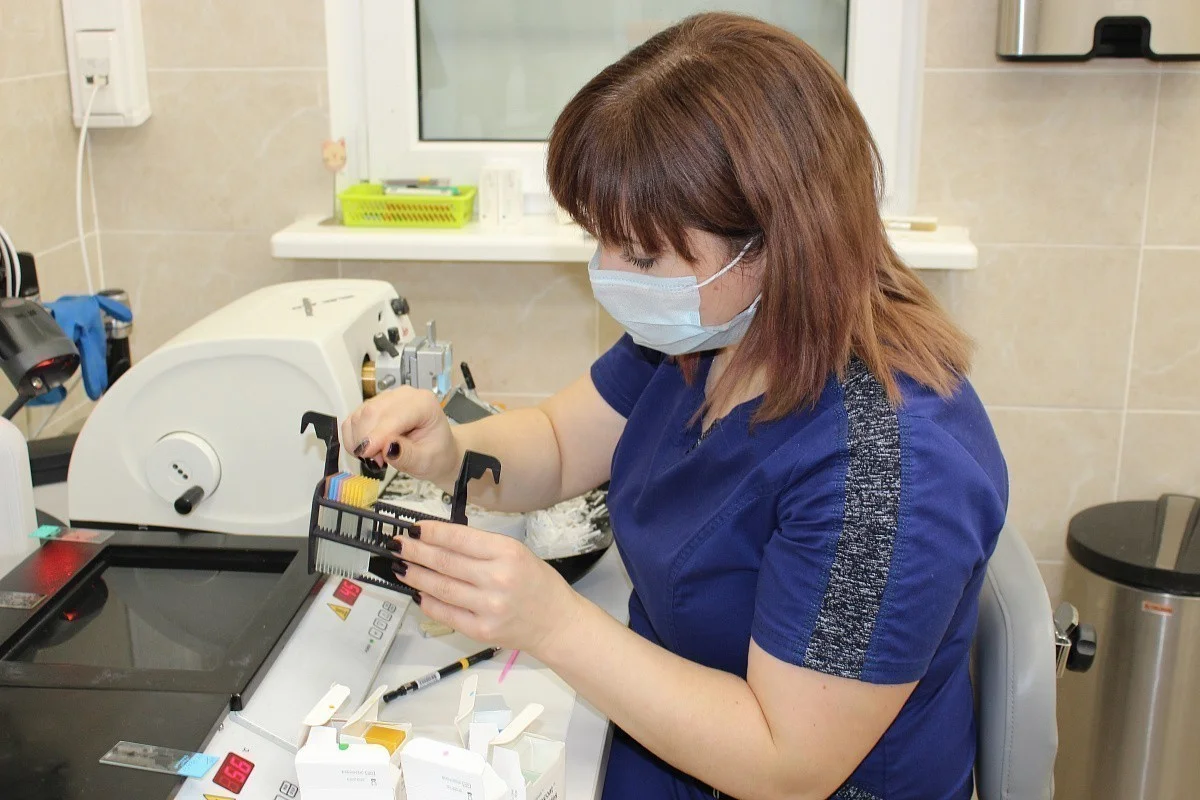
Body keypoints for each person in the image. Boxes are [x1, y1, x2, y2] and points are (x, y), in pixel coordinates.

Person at [343, 12, 1007, 800]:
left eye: (641, 253)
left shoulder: (892, 468)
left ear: (775, 242)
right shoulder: (705, 334)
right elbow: (558, 444)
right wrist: (452, 449)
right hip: (669, 744)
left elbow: (787, 764)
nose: (609, 273)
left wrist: (550, 622)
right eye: (599, 240)